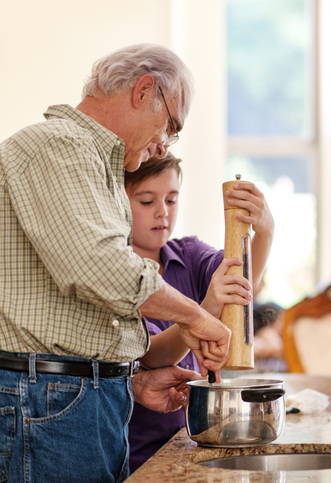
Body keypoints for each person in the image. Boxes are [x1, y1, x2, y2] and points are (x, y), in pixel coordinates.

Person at [0, 44, 232, 482]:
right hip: (49, 402)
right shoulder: (58, 145)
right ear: (145, 91)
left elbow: (84, 315)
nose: (165, 145)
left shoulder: (91, 164)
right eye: (172, 126)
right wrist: (197, 318)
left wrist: (127, 382)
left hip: (72, 399)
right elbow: (101, 268)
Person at [123, 153, 276, 471]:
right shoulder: (120, 273)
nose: (162, 213)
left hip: (190, 440)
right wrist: (203, 312)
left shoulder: (188, 254)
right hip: (138, 451)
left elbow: (243, 283)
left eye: (171, 200)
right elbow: (152, 356)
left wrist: (265, 233)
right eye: (147, 201)